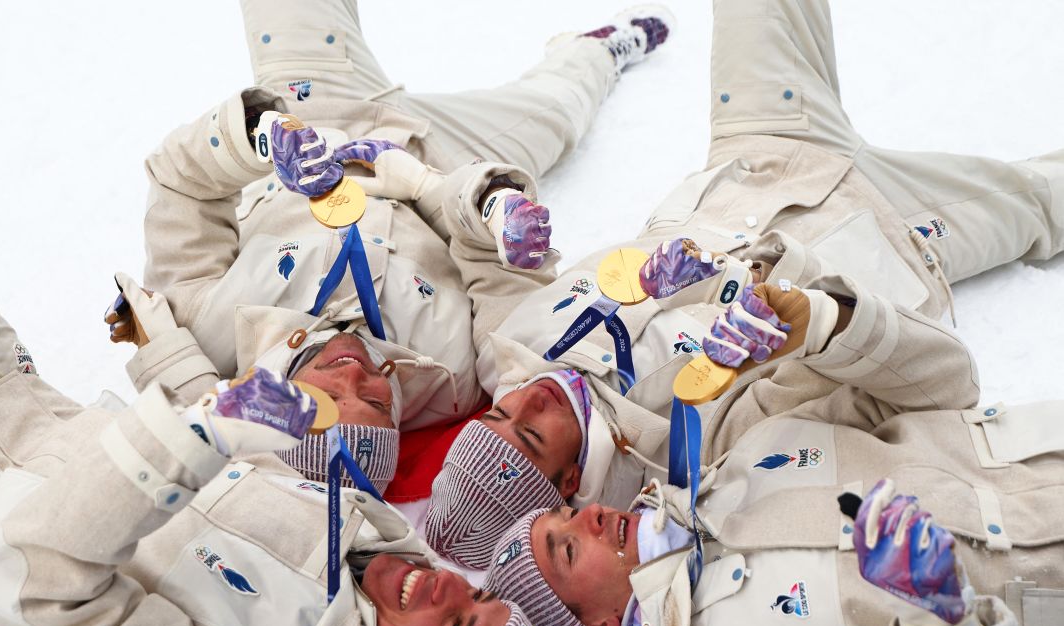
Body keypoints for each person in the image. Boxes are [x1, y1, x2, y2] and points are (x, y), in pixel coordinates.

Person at [0, 181, 547, 626]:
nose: (449, 589)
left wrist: (198, 433)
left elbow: (36, 589)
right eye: (478, 598)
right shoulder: (365, 534)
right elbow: (233, 454)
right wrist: (156, 342)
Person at [424, 0, 1064, 572]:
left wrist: (494, 208)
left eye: (503, 413)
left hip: (758, 156)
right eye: (533, 432)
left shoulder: (507, 351)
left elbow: (478, 244)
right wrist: (790, 318)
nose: (530, 399)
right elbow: (868, 385)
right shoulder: (690, 456)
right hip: (892, 233)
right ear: (568, 484)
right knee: (1047, 203)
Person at [481, 276, 1062, 626]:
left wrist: (828, 325)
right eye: (565, 548)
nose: (587, 515)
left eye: (564, 513)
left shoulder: (736, 458)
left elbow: (945, 387)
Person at [105, 1, 676, 494]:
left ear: (280, 397)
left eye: (329, 392)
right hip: (443, 159)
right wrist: (495, 209)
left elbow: (181, 183)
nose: (356, 375)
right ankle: (598, 51)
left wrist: (260, 136)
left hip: (318, 112)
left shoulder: (216, 329)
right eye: (377, 403)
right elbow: (499, 274)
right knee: (556, 116)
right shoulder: (454, 377)